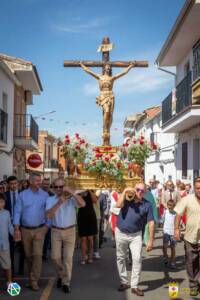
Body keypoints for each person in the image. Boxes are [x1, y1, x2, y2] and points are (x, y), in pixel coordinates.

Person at [80, 59, 135, 145]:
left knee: (109, 113)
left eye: (109, 67)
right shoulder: (99, 77)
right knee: (107, 111)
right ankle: (105, 129)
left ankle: (107, 129)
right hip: (102, 96)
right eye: (107, 67)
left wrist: (130, 66)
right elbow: (89, 71)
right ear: (104, 68)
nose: (108, 68)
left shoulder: (112, 78)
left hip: (110, 96)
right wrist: (82, 65)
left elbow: (122, 73)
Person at [46, 179, 85, 294]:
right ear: (53, 188)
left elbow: (83, 204)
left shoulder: (72, 198)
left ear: (65, 186)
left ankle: (66, 282)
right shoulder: (50, 199)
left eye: (61, 187)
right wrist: (59, 202)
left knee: (68, 258)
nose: (59, 189)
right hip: (56, 231)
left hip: (70, 231)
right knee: (55, 257)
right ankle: (62, 275)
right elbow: (48, 215)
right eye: (56, 187)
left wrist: (72, 193)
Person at [115, 182, 155, 296]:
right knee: (120, 258)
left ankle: (134, 286)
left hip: (136, 235)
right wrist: (124, 191)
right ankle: (124, 281)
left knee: (137, 259)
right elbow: (118, 205)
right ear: (134, 189)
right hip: (121, 233)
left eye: (142, 191)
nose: (139, 192)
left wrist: (151, 240)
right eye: (137, 189)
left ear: (145, 192)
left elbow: (151, 222)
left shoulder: (147, 204)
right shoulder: (127, 199)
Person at [13, 173, 49, 291]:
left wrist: (46, 227)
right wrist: (17, 228)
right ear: (30, 181)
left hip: (40, 229)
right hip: (25, 230)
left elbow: (49, 212)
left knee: (37, 255)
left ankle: (34, 281)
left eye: (40, 180)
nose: (40, 182)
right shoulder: (22, 195)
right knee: (29, 256)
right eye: (37, 180)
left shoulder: (45, 195)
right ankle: (31, 278)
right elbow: (17, 211)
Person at [174, 177, 200, 297]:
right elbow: (178, 214)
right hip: (191, 237)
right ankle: (193, 285)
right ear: (194, 188)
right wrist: (177, 229)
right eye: (198, 188)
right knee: (191, 262)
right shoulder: (187, 199)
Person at [5, 176, 24, 275]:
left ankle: (21, 268)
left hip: (22, 224)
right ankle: (11, 270)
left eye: (15, 183)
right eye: (11, 183)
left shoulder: (22, 194)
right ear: (8, 184)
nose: (13, 185)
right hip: (9, 225)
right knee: (10, 248)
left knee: (23, 248)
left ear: (18, 184)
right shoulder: (4, 195)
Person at [77, 190, 98, 264]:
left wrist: (89, 190)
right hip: (82, 216)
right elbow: (77, 203)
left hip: (91, 216)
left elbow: (95, 201)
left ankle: (90, 256)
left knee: (90, 238)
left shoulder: (90, 192)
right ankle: (84, 257)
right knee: (83, 238)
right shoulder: (78, 192)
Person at [0, 193, 14, 286]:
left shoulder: (7, 213)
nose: (0, 204)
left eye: (1, 202)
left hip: (4, 245)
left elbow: (10, 227)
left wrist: (16, 235)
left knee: (7, 265)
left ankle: (9, 283)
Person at [42, 178, 54, 261]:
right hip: (39, 220)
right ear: (42, 184)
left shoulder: (52, 194)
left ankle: (44, 254)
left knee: (46, 238)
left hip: (48, 221)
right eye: (45, 184)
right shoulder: (38, 194)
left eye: (47, 184)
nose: (46, 186)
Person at [162, 200, 177, 269]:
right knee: (165, 246)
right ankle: (165, 256)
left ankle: (173, 262)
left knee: (172, 248)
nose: (170, 207)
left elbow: (178, 222)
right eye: (169, 206)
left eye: (171, 206)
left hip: (173, 233)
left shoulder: (175, 213)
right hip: (166, 231)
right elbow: (163, 219)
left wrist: (178, 230)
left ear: (174, 206)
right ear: (167, 206)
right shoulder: (165, 212)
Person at [93, 190, 101, 259]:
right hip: (87, 215)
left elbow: (95, 199)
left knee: (96, 235)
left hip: (96, 216)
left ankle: (96, 251)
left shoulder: (97, 189)